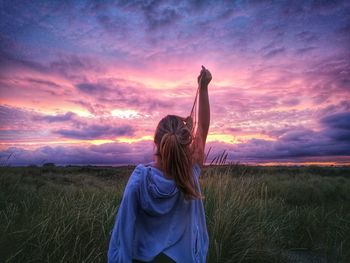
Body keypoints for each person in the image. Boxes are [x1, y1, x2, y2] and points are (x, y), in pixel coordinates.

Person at [108, 66, 212, 263]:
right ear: (183, 143)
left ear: (156, 143)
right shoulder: (188, 173)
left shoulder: (141, 178)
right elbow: (203, 128)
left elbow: (124, 229)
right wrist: (204, 88)